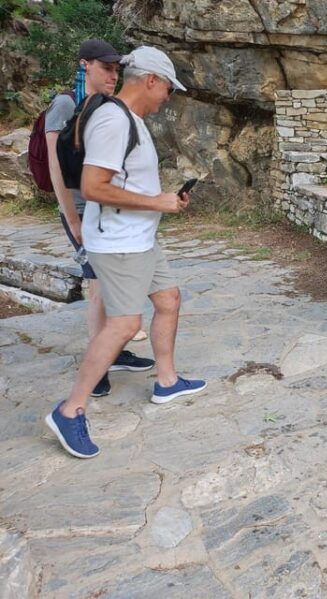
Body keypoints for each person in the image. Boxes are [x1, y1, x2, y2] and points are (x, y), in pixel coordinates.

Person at [45, 46, 207, 459]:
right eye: (168, 88)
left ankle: (166, 381)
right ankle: (70, 409)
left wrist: (164, 200)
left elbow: (126, 183)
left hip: (141, 238)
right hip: (118, 243)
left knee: (168, 300)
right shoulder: (113, 121)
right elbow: (94, 187)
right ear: (150, 80)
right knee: (122, 324)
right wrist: (159, 204)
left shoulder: (130, 119)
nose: (167, 97)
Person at [44, 39, 152, 398]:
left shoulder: (104, 107)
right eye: (106, 68)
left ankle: (113, 353)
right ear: (85, 65)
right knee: (97, 289)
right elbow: (54, 165)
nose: (112, 75)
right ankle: (99, 361)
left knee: (105, 288)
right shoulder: (65, 104)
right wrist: (71, 217)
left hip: (101, 208)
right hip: (81, 207)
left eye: (116, 70)